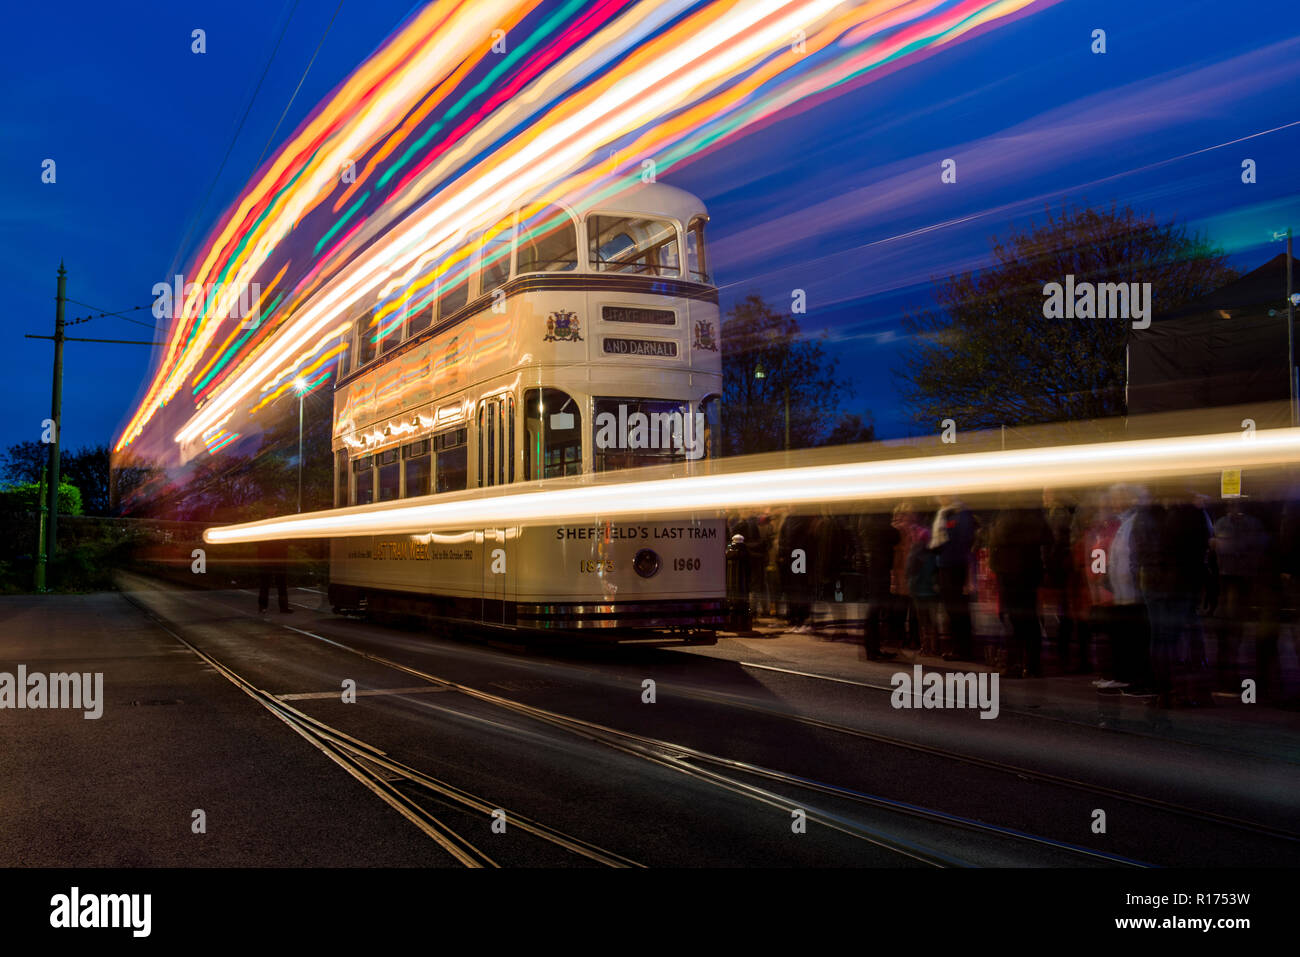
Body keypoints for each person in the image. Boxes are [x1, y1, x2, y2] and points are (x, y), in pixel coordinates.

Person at [989, 505, 1052, 678]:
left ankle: (1027, 663)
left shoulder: (1020, 514)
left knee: (1023, 618)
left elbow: (999, 535)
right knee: (1020, 618)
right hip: (1014, 571)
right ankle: (1024, 662)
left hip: (1020, 572)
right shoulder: (1019, 513)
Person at [931, 495, 978, 660]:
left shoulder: (961, 513)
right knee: (952, 610)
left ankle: (964, 649)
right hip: (944, 565)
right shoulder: (944, 513)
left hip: (957, 566)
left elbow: (965, 541)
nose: (939, 497)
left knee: (959, 609)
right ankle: (958, 647)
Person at [858, 511, 900, 660]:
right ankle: (872, 650)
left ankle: (873, 648)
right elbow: (895, 536)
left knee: (874, 610)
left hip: (872, 568)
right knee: (875, 610)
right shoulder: (879, 522)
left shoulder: (865, 520)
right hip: (879, 569)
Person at [257, 538, 293, 614]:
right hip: (272, 555)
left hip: (271, 554)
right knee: (272, 581)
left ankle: (264, 606)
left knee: (272, 582)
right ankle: (282, 607)